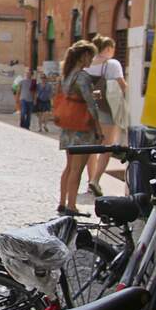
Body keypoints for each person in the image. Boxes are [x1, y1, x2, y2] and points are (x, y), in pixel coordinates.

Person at [57, 40, 104, 216]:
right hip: (81, 128)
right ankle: (72, 206)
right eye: (91, 56)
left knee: (69, 167)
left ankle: (62, 202)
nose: (91, 60)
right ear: (84, 56)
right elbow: (91, 105)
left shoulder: (67, 75)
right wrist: (99, 129)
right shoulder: (82, 76)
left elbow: (76, 97)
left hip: (68, 126)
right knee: (77, 168)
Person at [85, 35, 130, 196]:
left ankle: (90, 178)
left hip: (89, 109)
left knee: (92, 146)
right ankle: (95, 180)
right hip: (107, 110)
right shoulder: (112, 64)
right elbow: (123, 86)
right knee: (106, 147)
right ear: (109, 48)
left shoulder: (87, 63)